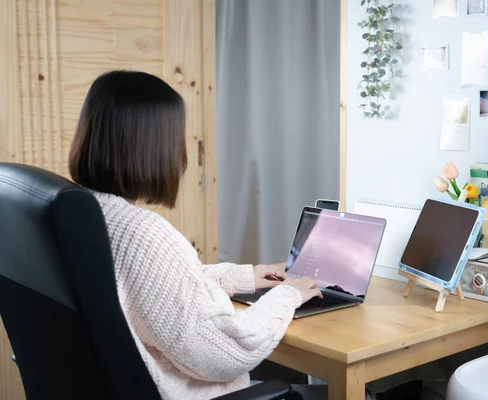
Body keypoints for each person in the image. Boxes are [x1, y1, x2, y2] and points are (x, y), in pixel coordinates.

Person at [68, 70, 324, 400]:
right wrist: (289, 295)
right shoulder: (142, 234)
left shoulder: (87, 215)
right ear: (151, 145)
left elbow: (158, 289)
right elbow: (223, 352)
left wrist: (245, 277)